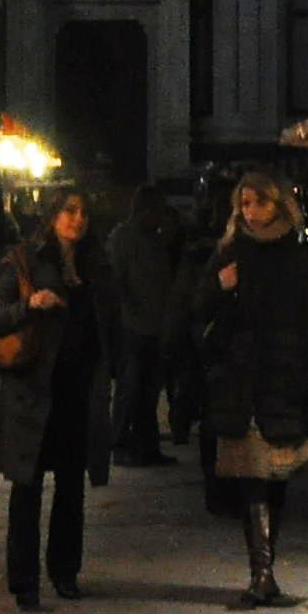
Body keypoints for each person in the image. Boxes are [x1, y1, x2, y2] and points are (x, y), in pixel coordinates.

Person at [195, 170, 308, 609]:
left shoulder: (298, 260)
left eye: (259, 203)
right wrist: (220, 288)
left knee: (274, 477)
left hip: (286, 379)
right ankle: (261, 573)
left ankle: (265, 572)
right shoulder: (228, 254)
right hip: (241, 382)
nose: (250, 212)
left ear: (277, 205)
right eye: (244, 204)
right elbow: (194, 308)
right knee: (254, 477)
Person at [0, 184, 110, 608]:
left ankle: (65, 571)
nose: (76, 219)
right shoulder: (25, 260)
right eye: (69, 211)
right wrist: (31, 304)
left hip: (76, 389)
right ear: (53, 215)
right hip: (33, 390)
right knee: (28, 488)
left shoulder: (94, 263)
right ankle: (24, 581)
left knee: (71, 487)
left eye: (83, 213)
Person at [108, 178, 196, 464]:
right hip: (133, 327)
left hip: (154, 326)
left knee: (147, 392)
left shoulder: (154, 241)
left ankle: (147, 446)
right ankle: (120, 444)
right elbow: (116, 281)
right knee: (130, 389)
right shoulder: (124, 238)